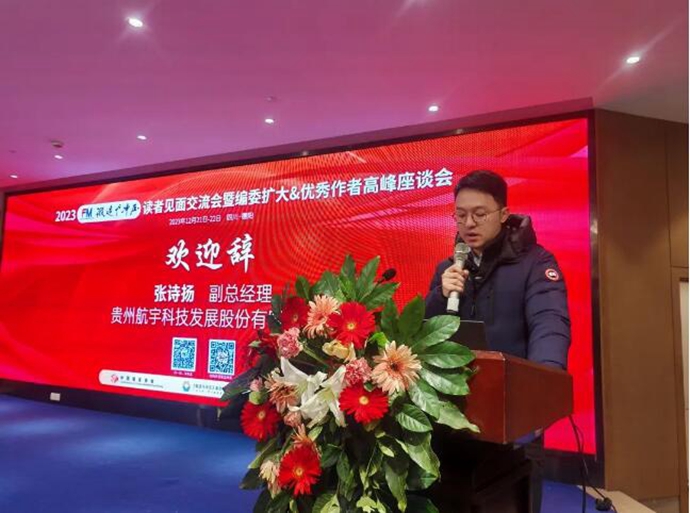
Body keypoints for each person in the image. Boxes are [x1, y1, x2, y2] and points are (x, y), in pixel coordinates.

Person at [424, 169, 571, 513]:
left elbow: (549, 324)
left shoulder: (536, 263)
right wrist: (438, 296)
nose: (469, 223)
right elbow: (427, 335)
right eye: (461, 215)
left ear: (503, 214)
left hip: (515, 420)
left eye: (480, 214)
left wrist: (541, 392)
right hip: (454, 419)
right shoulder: (449, 269)